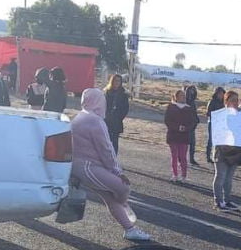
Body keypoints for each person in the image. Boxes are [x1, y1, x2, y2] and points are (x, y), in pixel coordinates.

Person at [71, 87, 150, 241]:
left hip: (82, 167)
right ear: (99, 102)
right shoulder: (95, 121)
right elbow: (106, 149)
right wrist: (117, 172)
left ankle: (130, 229)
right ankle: (124, 205)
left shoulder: (79, 116)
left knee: (109, 197)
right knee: (123, 187)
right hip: (88, 168)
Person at [212, 90, 241, 211]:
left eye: (237, 100)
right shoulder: (220, 115)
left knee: (228, 179)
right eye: (232, 100)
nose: (235, 103)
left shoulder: (240, 115)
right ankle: (218, 201)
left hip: (235, 153)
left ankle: (227, 201)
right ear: (226, 101)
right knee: (220, 177)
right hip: (222, 152)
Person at [165, 89, 197, 182]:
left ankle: (184, 175)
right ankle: (175, 174)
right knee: (174, 156)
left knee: (183, 157)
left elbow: (193, 122)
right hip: (173, 135)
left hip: (184, 136)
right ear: (176, 97)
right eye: (181, 95)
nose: (183, 97)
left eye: (184, 95)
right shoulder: (171, 107)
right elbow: (167, 120)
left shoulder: (189, 108)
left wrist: (186, 128)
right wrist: (177, 127)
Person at [104, 74, 130, 154]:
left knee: (114, 142)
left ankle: (113, 159)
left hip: (116, 122)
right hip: (106, 120)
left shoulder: (123, 94)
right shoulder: (107, 92)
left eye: (119, 81)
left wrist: (119, 117)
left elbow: (125, 108)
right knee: (105, 141)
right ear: (112, 81)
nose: (117, 82)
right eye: (115, 80)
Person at [205, 86, 226, 164]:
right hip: (212, 123)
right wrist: (216, 114)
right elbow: (208, 113)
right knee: (211, 140)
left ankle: (217, 156)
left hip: (220, 124)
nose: (221, 95)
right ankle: (208, 156)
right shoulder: (212, 102)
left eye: (222, 93)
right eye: (219, 93)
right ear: (216, 93)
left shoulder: (223, 103)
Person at [184, 85, 200, 166]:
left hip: (192, 125)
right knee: (185, 144)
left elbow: (194, 112)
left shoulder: (193, 102)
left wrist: (197, 119)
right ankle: (182, 159)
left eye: (193, 91)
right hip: (186, 125)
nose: (192, 92)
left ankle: (191, 159)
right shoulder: (185, 102)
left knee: (192, 143)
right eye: (190, 91)